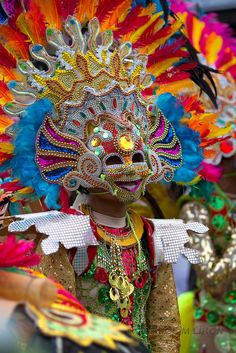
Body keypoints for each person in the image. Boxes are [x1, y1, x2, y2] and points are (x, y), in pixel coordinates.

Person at [0, 1, 220, 351]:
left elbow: (164, 327)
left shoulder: (154, 236)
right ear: (74, 165)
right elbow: (61, 329)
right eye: (115, 158)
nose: (130, 169)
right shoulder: (63, 236)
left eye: (135, 156)